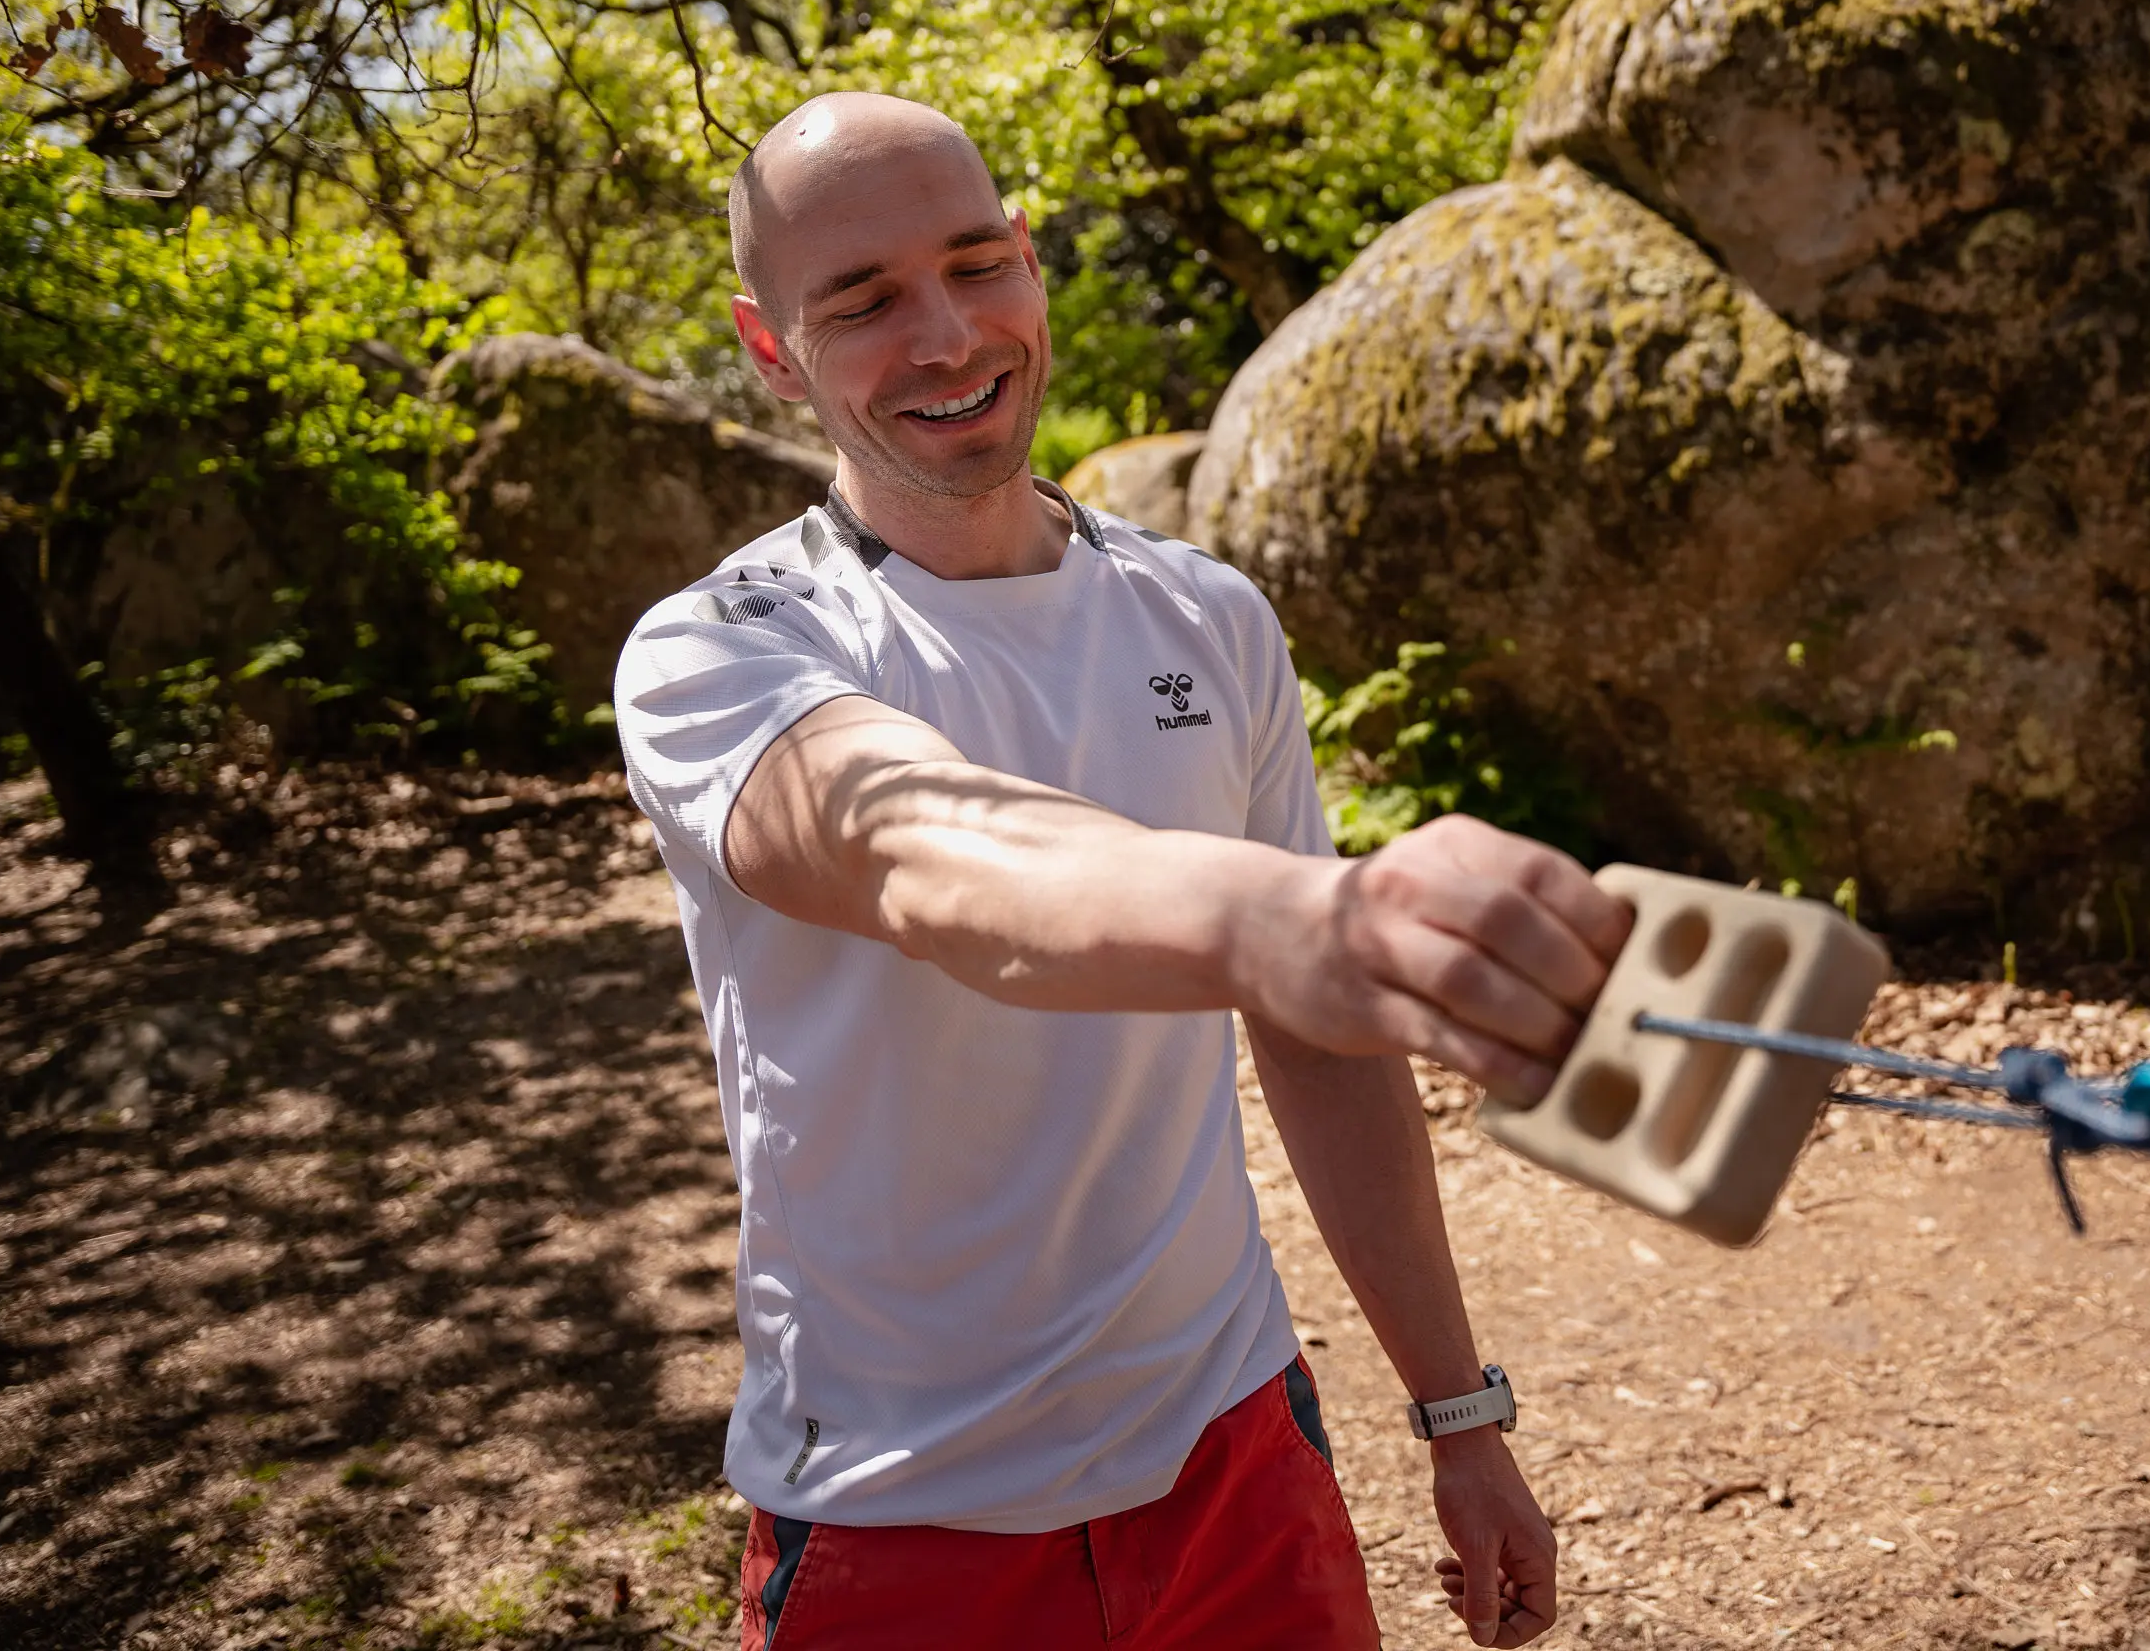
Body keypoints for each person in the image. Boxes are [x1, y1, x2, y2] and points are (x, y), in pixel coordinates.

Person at [614, 91, 1630, 1650]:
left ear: (1030, 258)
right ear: (772, 347)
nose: (946, 335)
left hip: (1236, 1451)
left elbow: (1318, 1040)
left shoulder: (1205, 618)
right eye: (865, 301)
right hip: (900, 1510)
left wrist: (1460, 1415)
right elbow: (928, 853)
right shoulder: (723, 650)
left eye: (974, 264)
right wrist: (1299, 915)